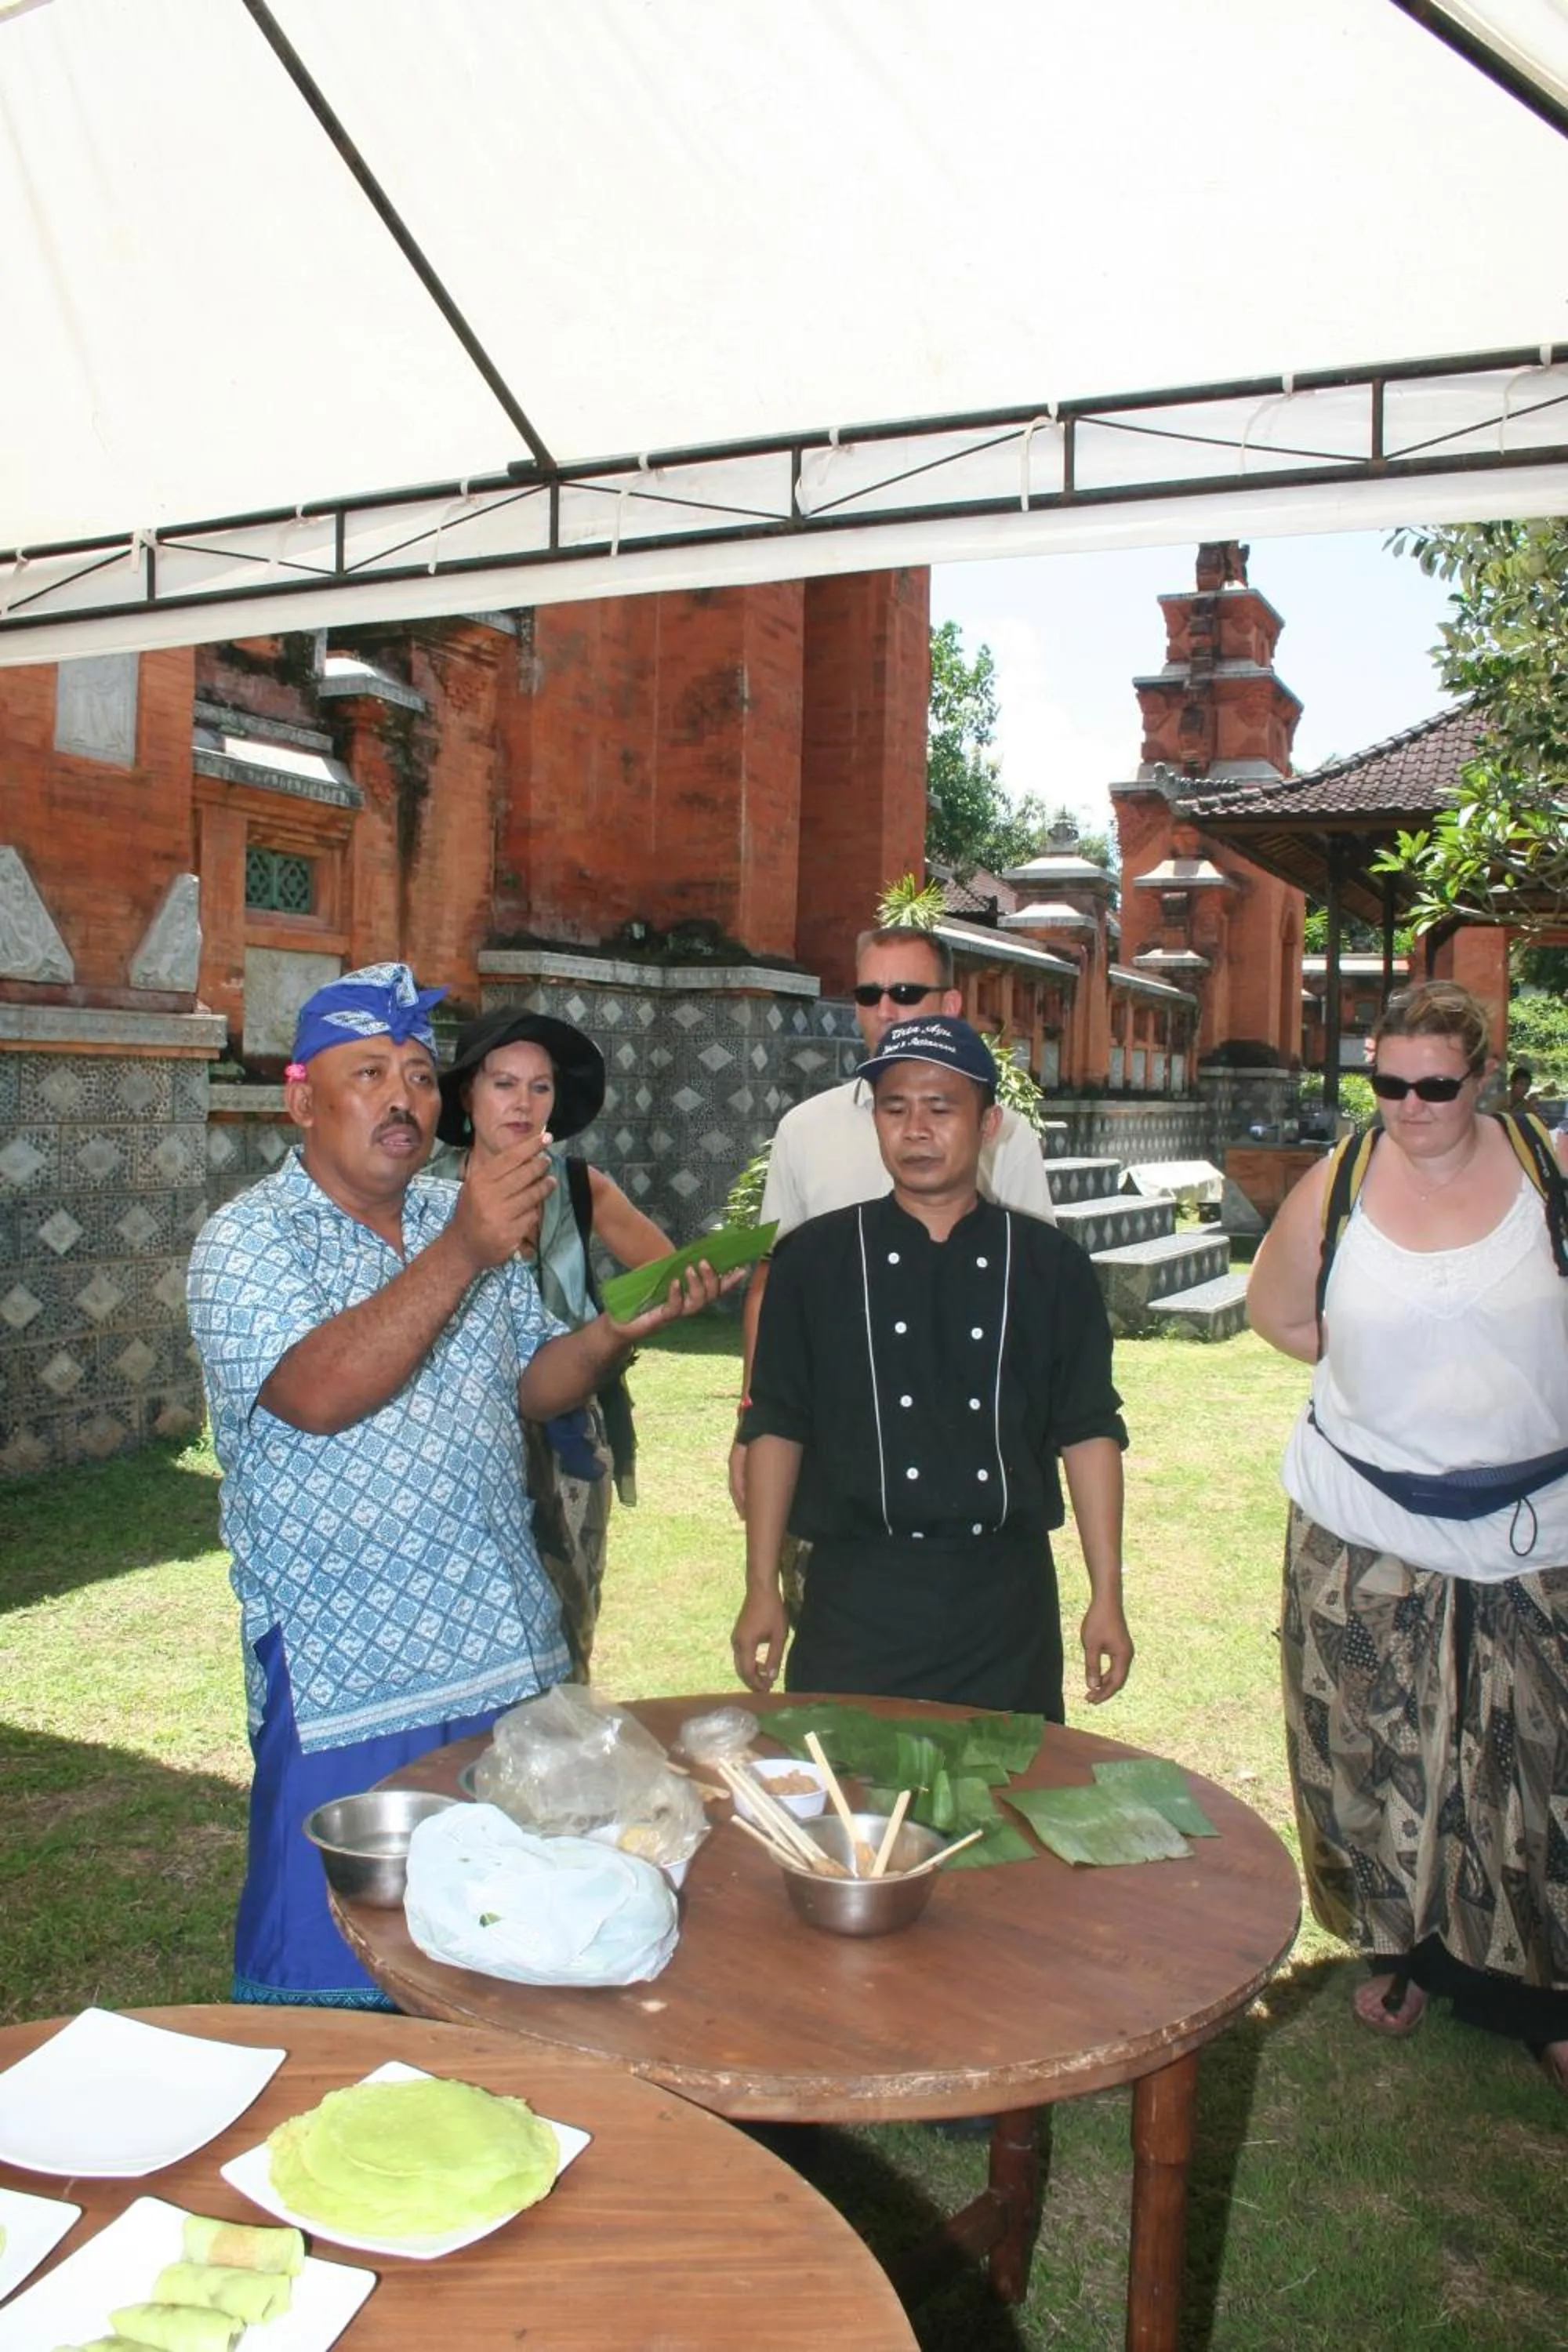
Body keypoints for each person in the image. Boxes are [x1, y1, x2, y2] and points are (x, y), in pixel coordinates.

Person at [187, 962, 731, 2007]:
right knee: (338, 1969)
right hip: (351, 1672)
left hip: (500, 1655)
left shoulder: (459, 1211)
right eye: (368, 1075)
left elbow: (535, 1386)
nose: (404, 1099)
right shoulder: (249, 1241)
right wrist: (463, 1249)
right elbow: (316, 1390)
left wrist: (613, 1332)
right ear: (302, 1097)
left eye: (420, 1076)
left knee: (514, 1954)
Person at [1247, 980, 1568, 2092]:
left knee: (1536, 1762)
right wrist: (1392, 1375)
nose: (1412, 1106)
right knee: (1374, 1745)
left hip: (1536, 1522)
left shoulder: (1546, 1171)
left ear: (1485, 1076)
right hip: (1366, 1516)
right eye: (1388, 1084)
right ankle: (1403, 1950)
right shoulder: (1338, 1181)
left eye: (1437, 1085)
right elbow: (1278, 1315)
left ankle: (1544, 1990)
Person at [731, 1014, 1132, 1717]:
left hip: (1005, 1607)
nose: (916, 1129)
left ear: (988, 1124)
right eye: (895, 1108)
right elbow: (778, 1423)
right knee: (850, 1815)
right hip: (855, 1599)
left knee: (1004, 1811)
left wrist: (1108, 1595)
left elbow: (1089, 1430)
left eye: (941, 1107)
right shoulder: (814, 1262)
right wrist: (761, 1583)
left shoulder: (1049, 1268)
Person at [728, 924, 1056, 1519]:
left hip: (969, 1442)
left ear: (950, 1005)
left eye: (906, 992)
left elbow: (1036, 1294)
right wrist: (751, 1418)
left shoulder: (1005, 1138)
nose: (885, 1010)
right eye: (868, 994)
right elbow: (770, 1289)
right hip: (830, 1438)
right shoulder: (806, 1130)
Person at [437, 1008, 673, 1679]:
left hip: (568, 1433)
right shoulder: (429, 1197)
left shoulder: (579, 1187)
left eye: (539, 1087)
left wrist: (611, 1337)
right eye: (504, 1084)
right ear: (468, 1096)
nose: (522, 1102)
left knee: (566, 1624)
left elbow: (665, 1274)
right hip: (462, 1435)